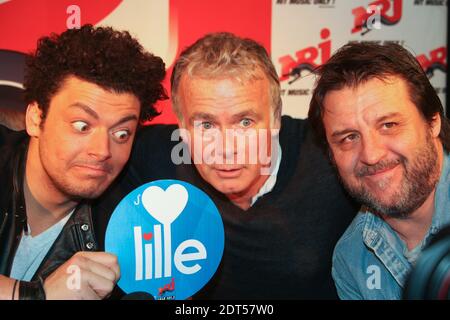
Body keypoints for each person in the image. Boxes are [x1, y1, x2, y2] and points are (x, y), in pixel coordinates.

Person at [98, 32, 358, 299]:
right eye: (206, 125)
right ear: (182, 127)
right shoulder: (149, 155)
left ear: (275, 119)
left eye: (245, 122)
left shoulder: (330, 156)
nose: (225, 148)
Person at [0, 24, 167, 300]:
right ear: (35, 118)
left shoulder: (127, 228)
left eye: (121, 133)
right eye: (82, 125)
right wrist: (35, 295)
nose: (102, 150)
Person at [308, 42, 450, 299]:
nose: (371, 155)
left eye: (389, 125)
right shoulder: (351, 259)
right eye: (349, 138)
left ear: (432, 122)